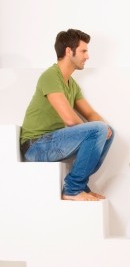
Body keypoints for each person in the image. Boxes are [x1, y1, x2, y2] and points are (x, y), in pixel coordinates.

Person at [20, 29, 114, 201]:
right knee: (98, 129)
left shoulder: (72, 84)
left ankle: (81, 186)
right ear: (69, 51)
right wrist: (98, 129)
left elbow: (90, 113)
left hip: (51, 142)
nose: (87, 56)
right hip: (36, 146)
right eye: (83, 51)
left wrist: (105, 129)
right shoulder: (50, 76)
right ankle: (72, 189)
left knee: (108, 131)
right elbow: (70, 120)